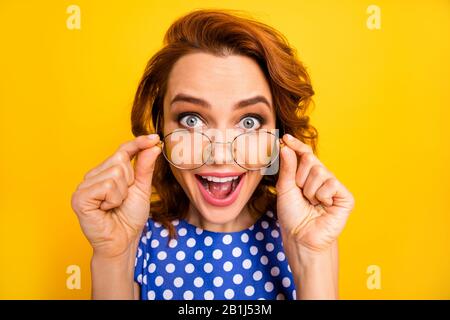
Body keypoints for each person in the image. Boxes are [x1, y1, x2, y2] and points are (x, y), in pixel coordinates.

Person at [71, 9, 354, 300]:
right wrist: (112, 255)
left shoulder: (306, 231)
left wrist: (312, 257)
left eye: (249, 122)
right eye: (191, 119)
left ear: (280, 136)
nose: (220, 155)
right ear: (160, 131)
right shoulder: (134, 237)